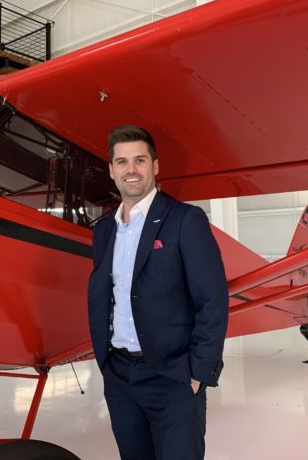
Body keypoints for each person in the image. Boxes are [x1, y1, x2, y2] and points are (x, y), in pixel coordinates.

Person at [88, 124, 229, 460]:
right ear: (111, 170)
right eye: (122, 162)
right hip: (120, 374)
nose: (131, 170)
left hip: (172, 377)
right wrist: (106, 362)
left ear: (155, 166)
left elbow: (212, 300)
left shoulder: (185, 220)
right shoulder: (105, 229)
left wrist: (197, 375)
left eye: (139, 160)